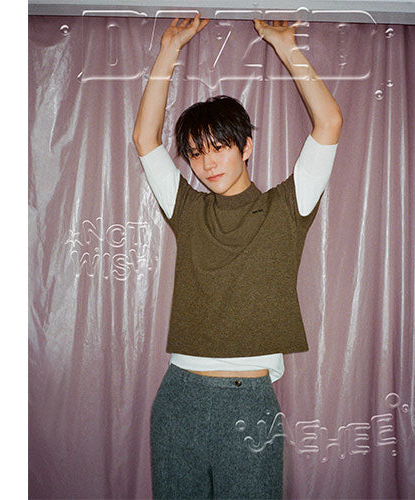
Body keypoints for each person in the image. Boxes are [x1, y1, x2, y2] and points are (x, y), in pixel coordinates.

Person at [132, 14, 343, 500]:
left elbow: (329, 123)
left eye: (219, 147)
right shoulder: (187, 209)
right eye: (195, 153)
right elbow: (145, 139)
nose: (207, 163)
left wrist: (285, 46)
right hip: (180, 397)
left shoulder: (288, 207)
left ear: (246, 146)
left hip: (251, 404)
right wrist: (169, 49)